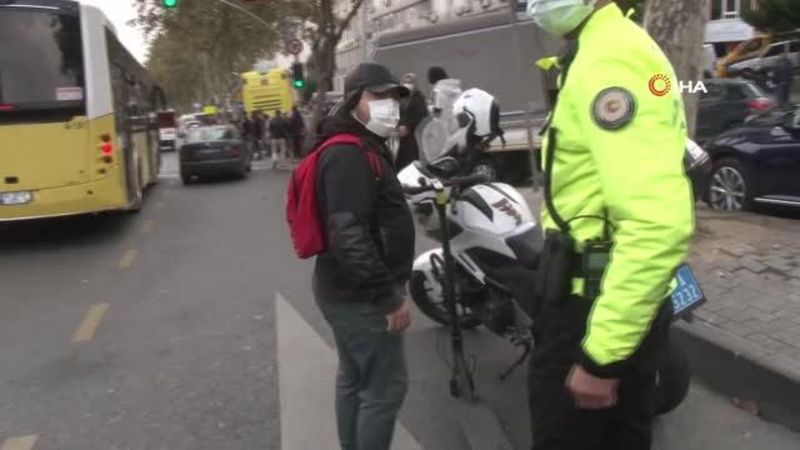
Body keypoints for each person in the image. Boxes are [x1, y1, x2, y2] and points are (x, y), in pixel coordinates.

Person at [524, 1, 695, 449]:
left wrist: (601, 358)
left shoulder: (610, 56)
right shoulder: (603, 48)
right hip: (597, 299)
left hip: (592, 309)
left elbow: (656, 222)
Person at [313, 62, 414, 450]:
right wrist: (388, 296)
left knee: (354, 378)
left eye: (393, 96)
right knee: (385, 389)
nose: (389, 105)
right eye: (378, 96)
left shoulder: (361, 144)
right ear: (355, 101)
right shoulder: (348, 155)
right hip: (362, 296)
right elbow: (349, 235)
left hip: (343, 288)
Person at [396, 73, 429, 170]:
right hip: (399, 134)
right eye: (406, 82)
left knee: (410, 157)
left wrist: (408, 126)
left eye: (411, 82)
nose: (408, 84)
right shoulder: (400, 97)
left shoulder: (418, 97)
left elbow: (421, 114)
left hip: (412, 134)